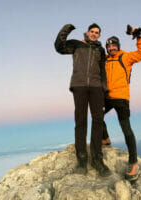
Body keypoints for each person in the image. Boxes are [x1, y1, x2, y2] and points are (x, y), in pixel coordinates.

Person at [54, 23, 111, 177]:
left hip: (96, 87)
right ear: (87, 32)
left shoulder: (100, 49)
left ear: (99, 35)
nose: (94, 34)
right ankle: (82, 160)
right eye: (92, 31)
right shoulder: (76, 45)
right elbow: (59, 47)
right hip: (79, 85)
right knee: (81, 121)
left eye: (97, 32)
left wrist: (104, 88)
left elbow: (102, 70)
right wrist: (66, 29)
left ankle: (97, 160)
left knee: (98, 120)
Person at [102, 25, 141, 181]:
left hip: (121, 98)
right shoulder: (106, 61)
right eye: (109, 46)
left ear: (118, 46)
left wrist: (139, 36)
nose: (111, 48)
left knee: (126, 129)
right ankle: (105, 140)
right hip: (107, 97)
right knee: (97, 115)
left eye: (114, 45)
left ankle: (133, 163)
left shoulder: (125, 57)